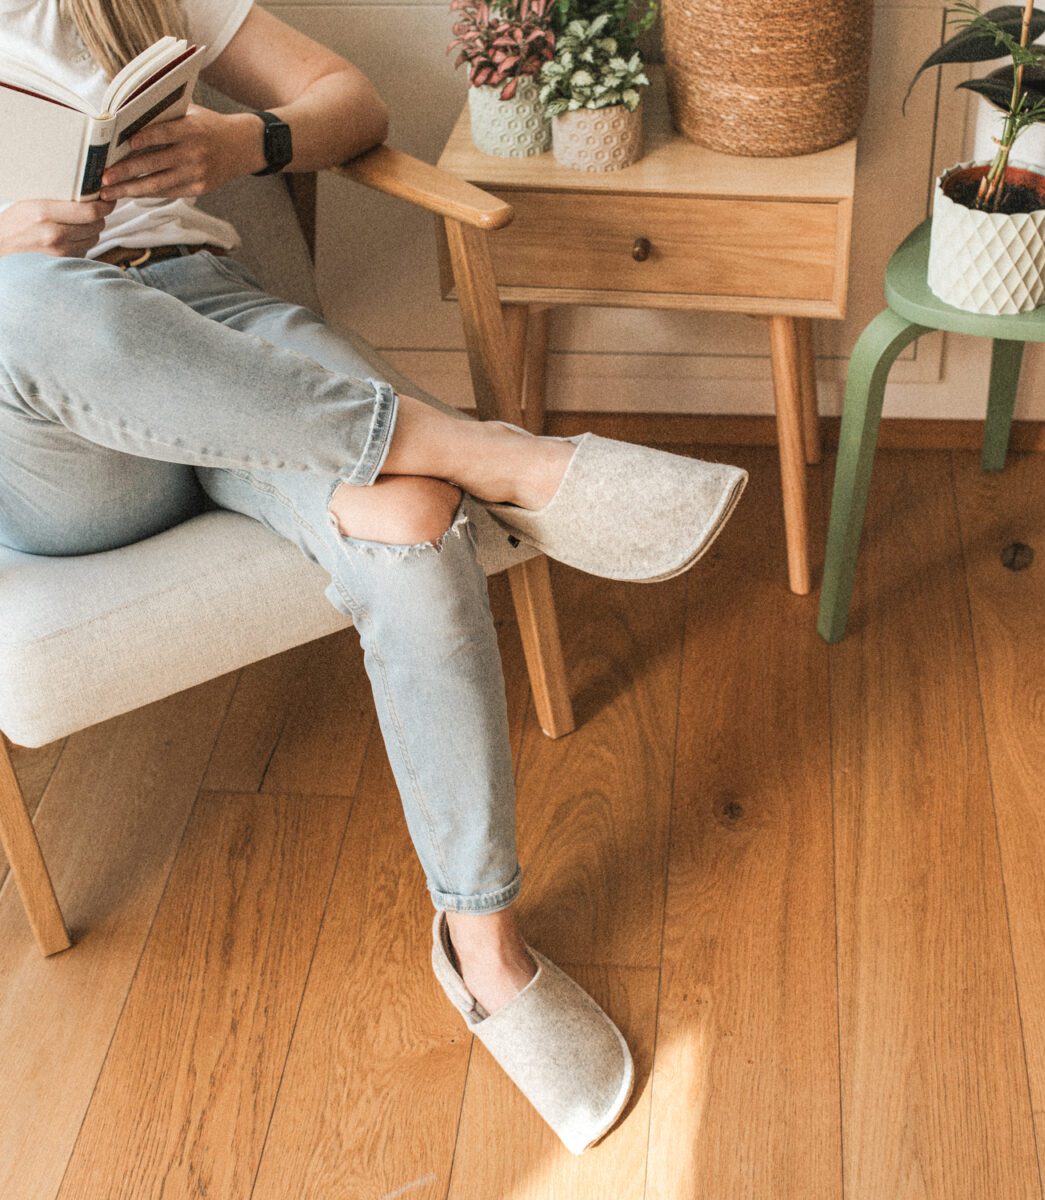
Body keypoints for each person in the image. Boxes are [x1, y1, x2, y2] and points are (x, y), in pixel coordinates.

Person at [0, 0, 746, 1154]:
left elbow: (355, 102)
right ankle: (490, 451)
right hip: (50, 420)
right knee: (27, 305)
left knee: (410, 525)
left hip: (216, 318)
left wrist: (240, 145)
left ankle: (482, 947)